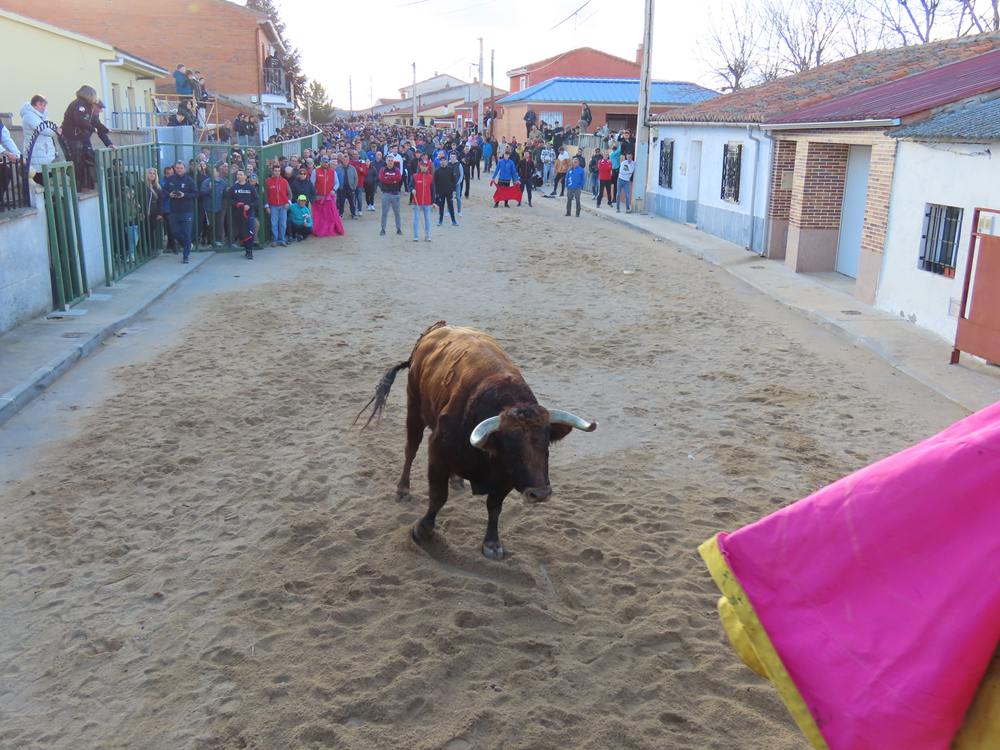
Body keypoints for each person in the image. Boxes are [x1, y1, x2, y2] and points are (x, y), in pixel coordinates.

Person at [162, 160, 196, 263]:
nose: (179, 170)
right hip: (174, 211)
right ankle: (187, 244)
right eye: (177, 168)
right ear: (175, 169)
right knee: (175, 232)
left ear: (184, 169)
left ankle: (186, 255)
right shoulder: (171, 179)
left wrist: (184, 195)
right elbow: (163, 190)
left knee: (187, 233)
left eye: (181, 168)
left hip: (187, 211)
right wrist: (170, 194)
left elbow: (196, 193)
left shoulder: (189, 180)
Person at [19, 95, 61, 180]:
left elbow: (49, 127)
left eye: (45, 105)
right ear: (35, 104)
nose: (43, 108)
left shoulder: (41, 116)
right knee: (40, 176)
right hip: (37, 151)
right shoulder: (29, 116)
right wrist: (56, 130)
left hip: (44, 151)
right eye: (41, 105)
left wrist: (55, 129)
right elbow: (44, 130)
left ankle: (48, 192)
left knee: (48, 176)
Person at [227, 169, 258, 259]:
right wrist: (236, 204)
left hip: (249, 213)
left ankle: (250, 251)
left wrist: (249, 205)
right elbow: (229, 200)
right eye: (238, 174)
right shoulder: (234, 188)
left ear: (245, 176)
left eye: (241, 174)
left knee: (250, 231)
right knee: (242, 233)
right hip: (238, 214)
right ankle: (246, 249)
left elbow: (256, 200)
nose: (239, 176)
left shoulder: (250, 187)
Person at [311, 156, 344, 237]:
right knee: (320, 215)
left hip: (329, 197)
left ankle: (330, 229)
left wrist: (334, 190)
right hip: (319, 197)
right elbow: (312, 183)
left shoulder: (333, 172)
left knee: (330, 215)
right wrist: (314, 193)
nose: (325, 163)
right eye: (324, 162)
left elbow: (337, 183)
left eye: (326, 162)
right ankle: (320, 230)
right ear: (321, 162)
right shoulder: (315, 171)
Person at [200, 165, 227, 247]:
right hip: (209, 207)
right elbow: (202, 193)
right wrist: (210, 189)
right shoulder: (206, 182)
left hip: (220, 207)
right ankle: (211, 241)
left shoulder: (223, 182)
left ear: (218, 173)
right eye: (212, 171)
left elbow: (225, 194)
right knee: (210, 225)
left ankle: (219, 241)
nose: (213, 172)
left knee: (219, 224)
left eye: (214, 171)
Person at [265, 164, 291, 246]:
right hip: (273, 206)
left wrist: (288, 203)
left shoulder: (284, 181)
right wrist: (267, 206)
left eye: (278, 171)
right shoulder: (268, 182)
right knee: (274, 223)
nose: (277, 172)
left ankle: (282, 239)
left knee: (283, 223)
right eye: (275, 171)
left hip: (283, 206)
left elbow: (290, 194)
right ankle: (274, 240)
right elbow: (266, 195)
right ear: (272, 171)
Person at [378, 157, 403, 236]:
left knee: (397, 213)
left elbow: (398, 178)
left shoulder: (397, 170)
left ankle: (398, 229)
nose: (390, 162)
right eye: (389, 160)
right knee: (384, 213)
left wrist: (388, 178)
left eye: (392, 160)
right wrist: (393, 180)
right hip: (386, 194)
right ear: (386, 162)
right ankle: (383, 229)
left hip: (395, 194)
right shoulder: (382, 170)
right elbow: (382, 179)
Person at [410, 160, 433, 242]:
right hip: (417, 202)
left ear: (428, 167)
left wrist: (433, 202)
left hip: (427, 202)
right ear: (420, 166)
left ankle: (428, 235)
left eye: (426, 166)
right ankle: (415, 236)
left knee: (427, 219)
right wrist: (412, 189)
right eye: (423, 165)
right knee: (416, 219)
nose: (424, 167)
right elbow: (410, 186)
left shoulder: (430, 177)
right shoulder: (415, 176)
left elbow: (433, 190)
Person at [142, 166, 164, 253]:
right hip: (144, 212)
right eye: (150, 173)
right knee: (144, 232)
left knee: (152, 232)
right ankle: (144, 249)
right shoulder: (142, 185)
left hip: (153, 213)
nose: (152, 175)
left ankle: (152, 249)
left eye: (154, 173)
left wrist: (160, 213)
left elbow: (160, 201)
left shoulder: (157, 187)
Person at [336, 154, 358, 220]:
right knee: (341, 202)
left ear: (349, 160)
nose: (345, 161)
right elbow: (335, 178)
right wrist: (338, 187)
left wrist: (354, 187)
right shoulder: (338, 168)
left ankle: (353, 214)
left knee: (352, 202)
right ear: (342, 160)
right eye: (344, 160)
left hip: (350, 188)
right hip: (341, 188)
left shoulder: (352, 168)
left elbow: (356, 178)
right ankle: (340, 214)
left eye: (347, 160)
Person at [449, 152, 464, 217]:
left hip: (457, 184)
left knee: (458, 198)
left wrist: (459, 182)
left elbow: (461, 174)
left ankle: (459, 211)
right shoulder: (448, 164)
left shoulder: (459, 164)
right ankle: (449, 211)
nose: (452, 158)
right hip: (449, 184)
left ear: (456, 158)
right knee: (449, 198)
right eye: (451, 157)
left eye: (453, 157)